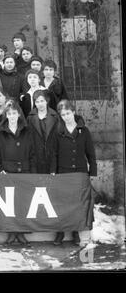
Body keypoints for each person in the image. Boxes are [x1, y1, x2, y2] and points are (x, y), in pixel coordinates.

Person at [54, 100, 97, 246]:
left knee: (79, 204)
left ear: (73, 112)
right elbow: (53, 153)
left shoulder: (83, 131)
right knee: (63, 202)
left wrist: (93, 171)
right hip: (63, 172)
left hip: (80, 172)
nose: (66, 116)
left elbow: (90, 153)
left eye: (68, 113)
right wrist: (53, 171)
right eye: (63, 114)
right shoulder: (58, 131)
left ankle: (76, 233)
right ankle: (60, 232)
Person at [0, 100, 36, 246]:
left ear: (18, 114)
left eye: (14, 113)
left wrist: (30, 171)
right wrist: (0, 169)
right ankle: (11, 233)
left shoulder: (27, 130)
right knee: (9, 204)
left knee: (22, 203)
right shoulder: (0, 132)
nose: (11, 116)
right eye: (9, 114)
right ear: (6, 115)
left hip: (24, 171)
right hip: (7, 172)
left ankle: (21, 233)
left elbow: (32, 152)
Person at [26, 90, 59, 174]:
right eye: (37, 102)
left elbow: (57, 139)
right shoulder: (30, 118)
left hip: (51, 157)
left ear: (47, 101)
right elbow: (29, 139)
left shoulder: (55, 116)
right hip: (35, 157)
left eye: (42, 101)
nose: (40, 104)